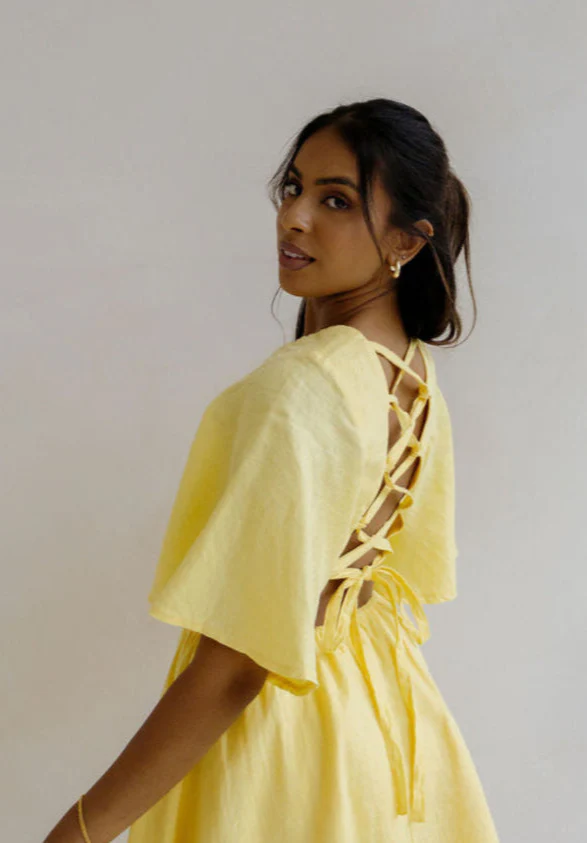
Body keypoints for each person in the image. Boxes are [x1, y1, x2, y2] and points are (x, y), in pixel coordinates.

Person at [43, 98, 500, 842]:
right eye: (293, 188)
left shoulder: (306, 386)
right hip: (373, 726)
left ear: (405, 241)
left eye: (336, 200)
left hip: (280, 751)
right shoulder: (408, 372)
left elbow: (237, 664)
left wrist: (81, 830)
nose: (294, 217)